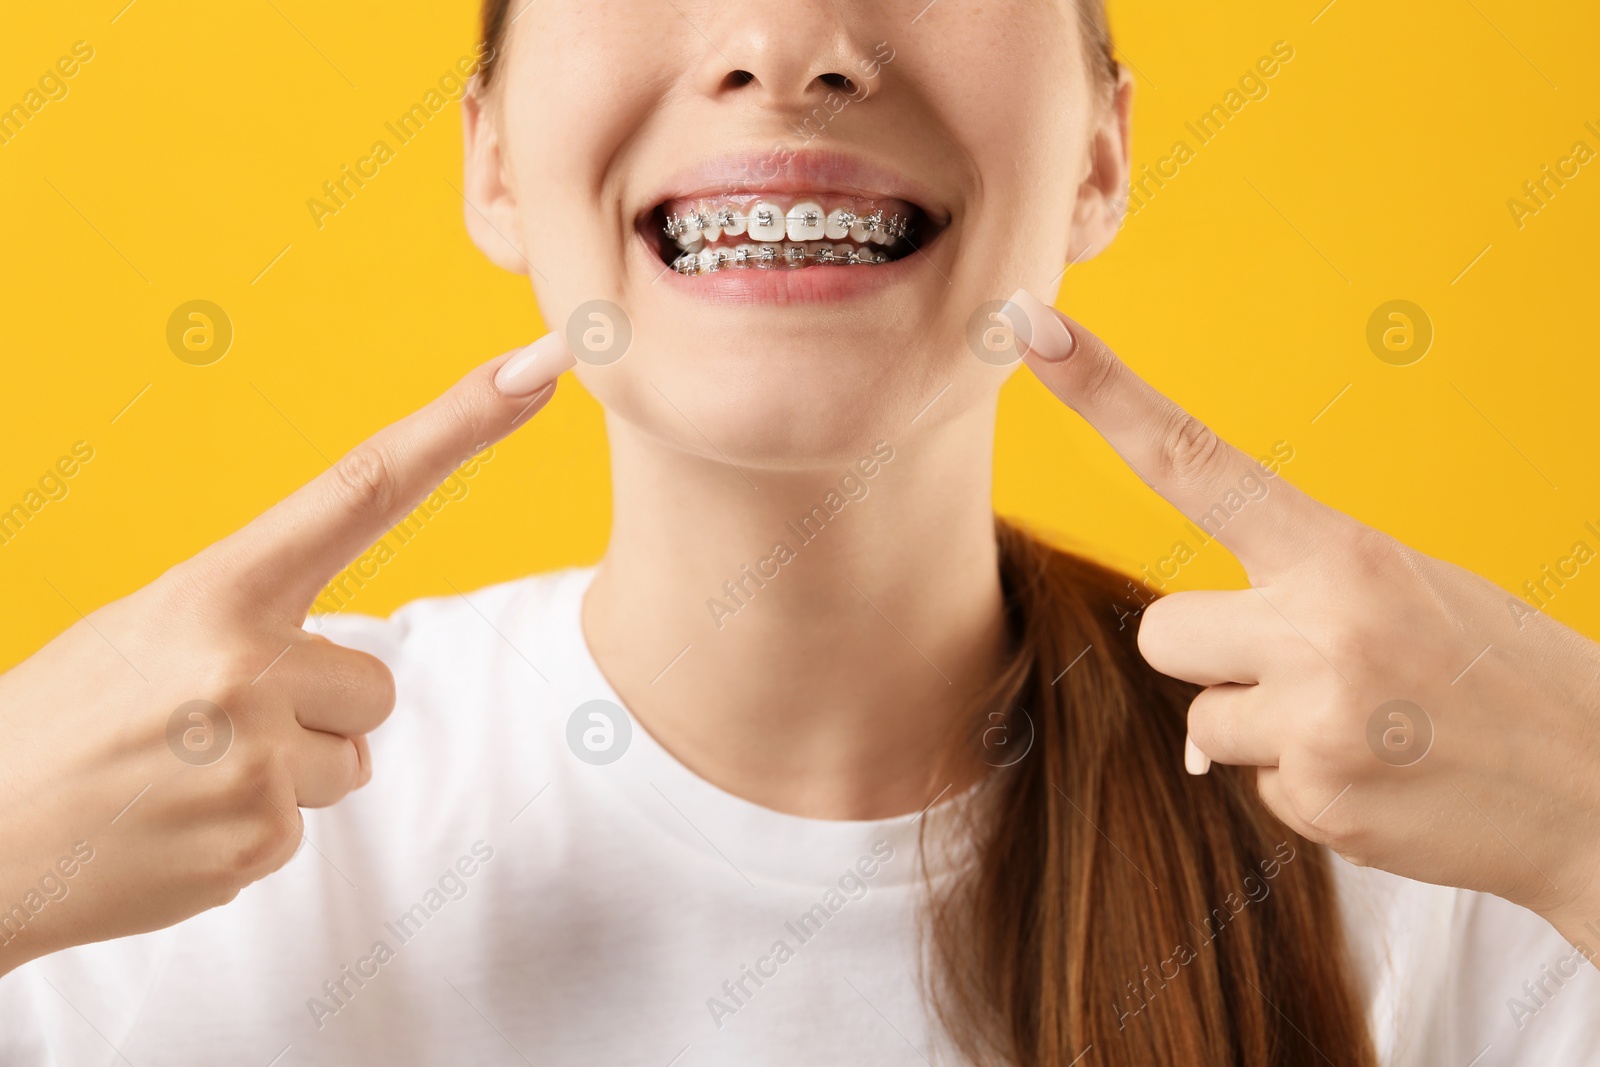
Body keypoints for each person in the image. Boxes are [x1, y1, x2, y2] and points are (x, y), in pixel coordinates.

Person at [2, 1, 1598, 1063]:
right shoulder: (149, 848)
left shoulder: (1438, 848)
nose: (787, 47)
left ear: (1102, 156)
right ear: (490, 160)